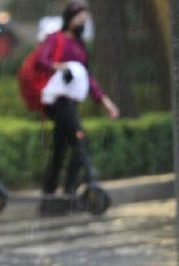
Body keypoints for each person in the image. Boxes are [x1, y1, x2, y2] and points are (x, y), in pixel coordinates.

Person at [37, 1, 119, 201]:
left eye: (84, 19)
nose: (81, 23)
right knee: (80, 140)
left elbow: (88, 78)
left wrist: (105, 102)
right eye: (78, 19)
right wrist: (60, 67)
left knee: (61, 146)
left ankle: (51, 190)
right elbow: (42, 60)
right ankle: (81, 185)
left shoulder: (80, 45)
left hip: (72, 101)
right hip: (58, 101)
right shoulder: (56, 38)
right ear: (69, 19)